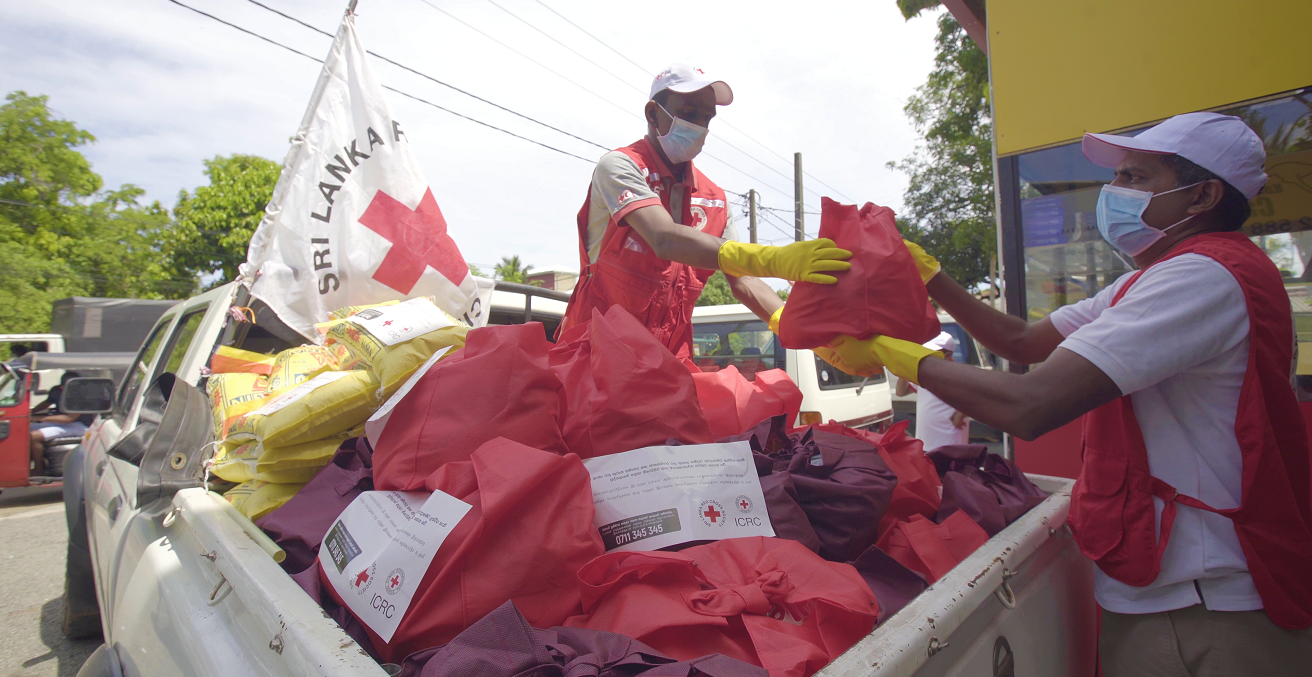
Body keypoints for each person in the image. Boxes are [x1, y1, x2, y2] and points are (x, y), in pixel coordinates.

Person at [820, 112, 1312, 674]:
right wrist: (927, 274)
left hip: (1206, 598)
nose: (1113, 191)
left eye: (1135, 177)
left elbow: (1028, 406)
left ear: (1201, 195)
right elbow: (1023, 342)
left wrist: (891, 352)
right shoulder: (1147, 278)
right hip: (1175, 586)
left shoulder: (1201, 277)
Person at [558, 63, 852, 357]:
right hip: (594, 361)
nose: (699, 126)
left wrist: (805, 334)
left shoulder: (715, 200)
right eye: (688, 114)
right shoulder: (621, 166)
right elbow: (663, 238)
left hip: (666, 369)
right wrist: (775, 258)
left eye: (706, 118)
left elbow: (745, 279)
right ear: (652, 114)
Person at [893, 332, 969, 451]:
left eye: (931, 353)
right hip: (925, 443)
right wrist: (906, 368)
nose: (926, 356)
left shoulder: (957, 375)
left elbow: (975, 399)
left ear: (948, 355)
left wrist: (960, 415)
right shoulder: (925, 373)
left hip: (948, 442)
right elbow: (900, 392)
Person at [29, 372, 93, 476]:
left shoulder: (81, 395)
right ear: (62, 387)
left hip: (80, 425)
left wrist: (40, 418)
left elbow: (69, 418)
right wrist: (31, 412)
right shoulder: (56, 391)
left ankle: (38, 468)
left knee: (34, 436)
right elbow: (47, 403)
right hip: (61, 423)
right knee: (25, 429)